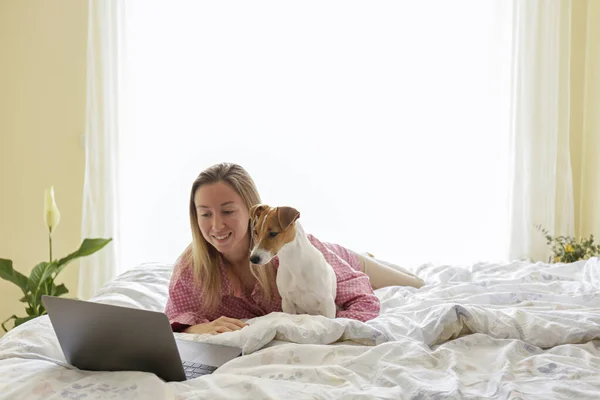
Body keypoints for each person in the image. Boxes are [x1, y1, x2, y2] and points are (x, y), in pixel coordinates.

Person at [165, 162, 424, 335]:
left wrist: (324, 332)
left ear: (253, 211)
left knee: (418, 285)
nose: (217, 225)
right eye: (205, 214)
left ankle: (365, 258)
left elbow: (363, 300)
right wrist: (195, 329)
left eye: (228, 211)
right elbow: (173, 318)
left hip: (341, 261)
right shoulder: (191, 268)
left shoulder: (292, 254)